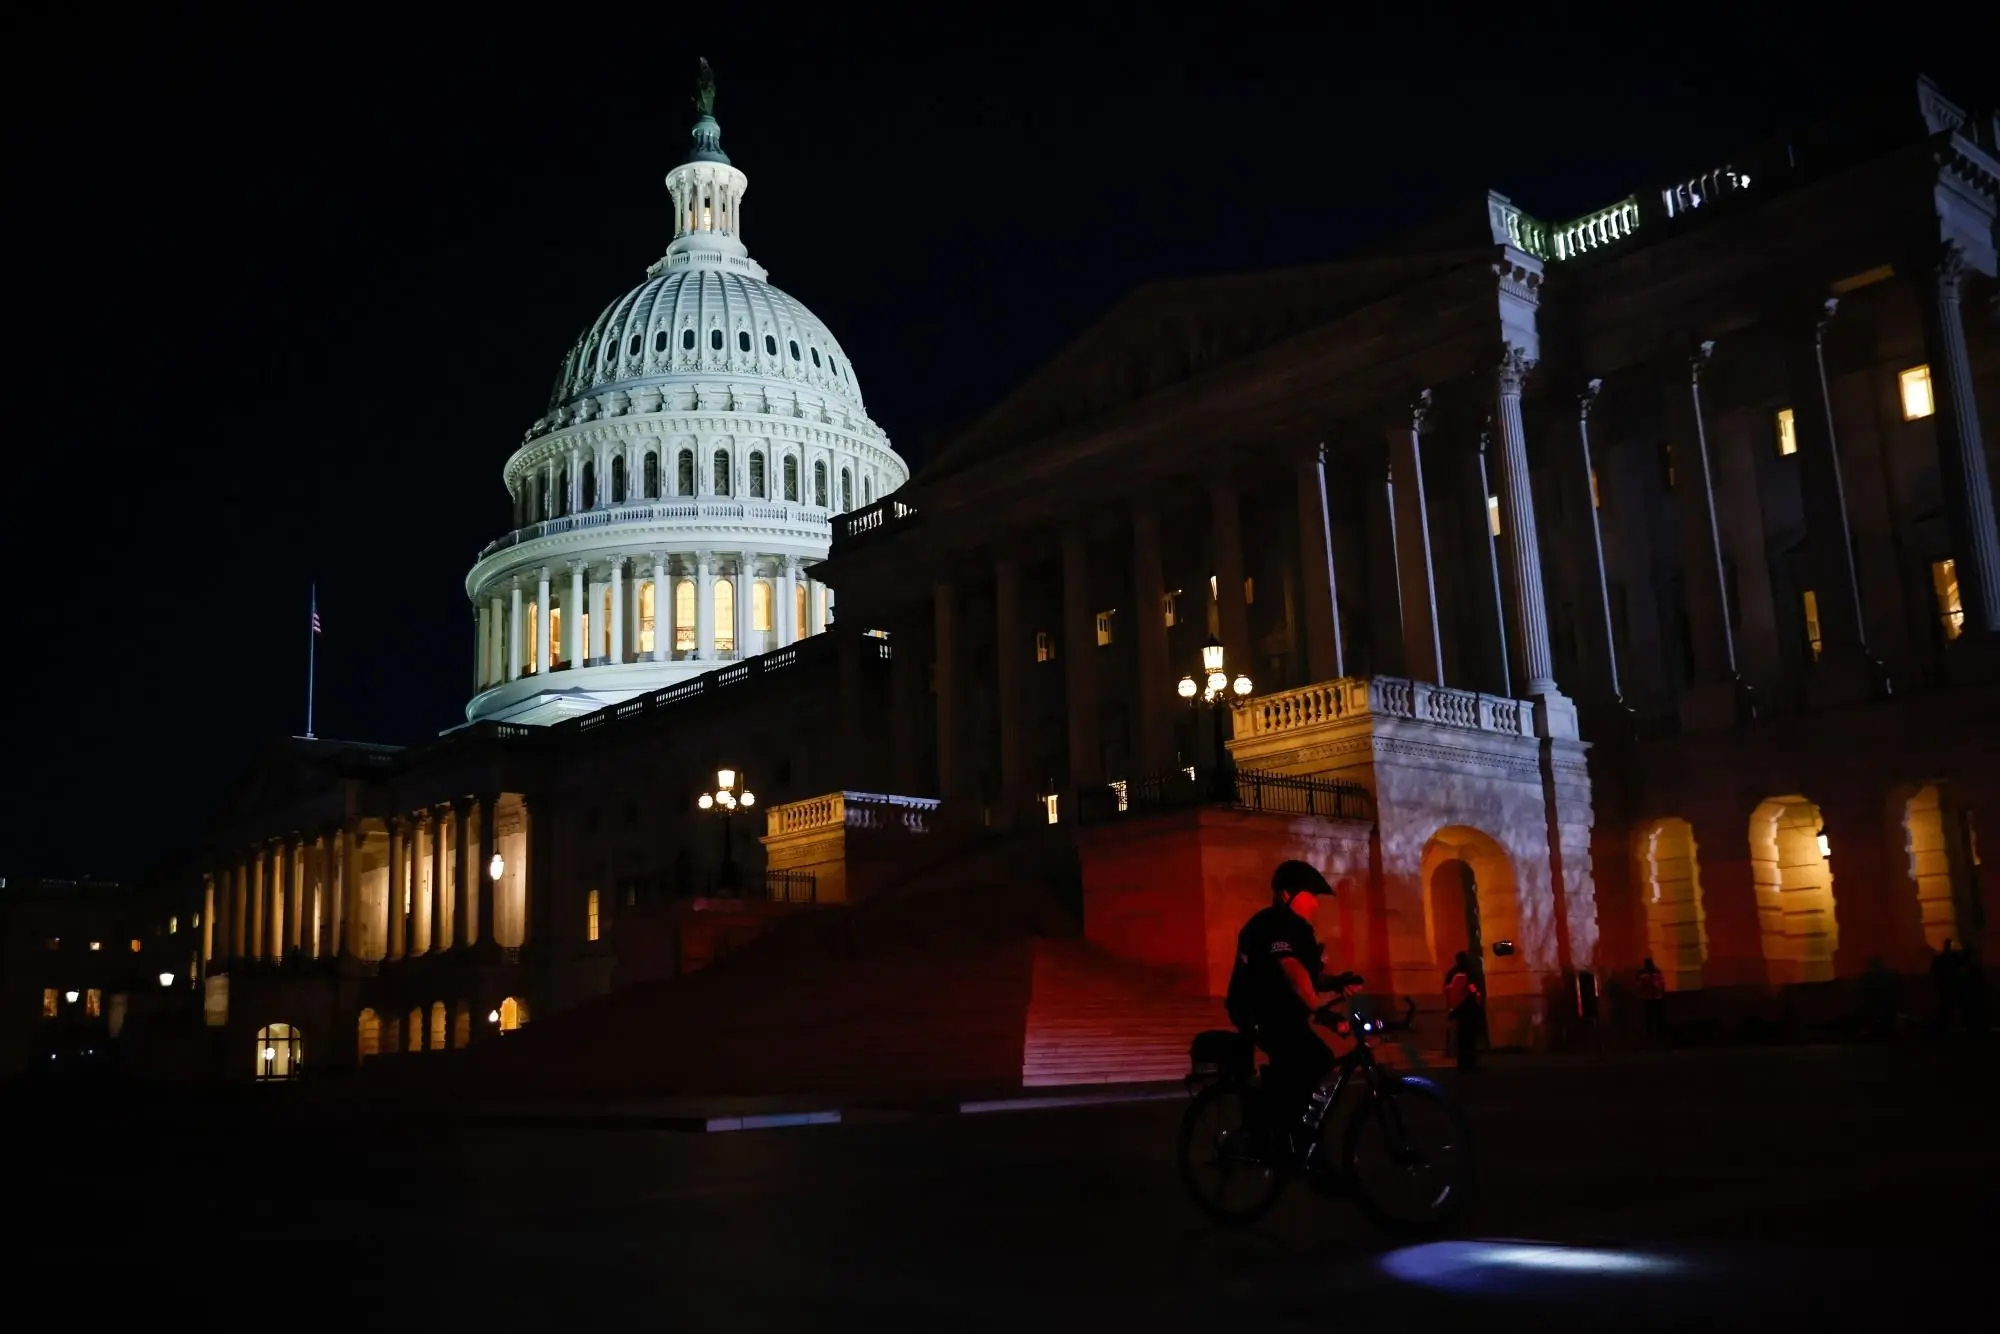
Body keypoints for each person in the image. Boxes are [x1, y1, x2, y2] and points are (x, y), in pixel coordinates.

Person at [1225, 861, 1361, 1160]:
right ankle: (1279, 1137)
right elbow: (1290, 968)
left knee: (1316, 1060)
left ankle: (1289, 1134)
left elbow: (1308, 975)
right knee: (1309, 1059)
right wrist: (1320, 1009)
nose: (1315, 903)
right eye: (1309, 895)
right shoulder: (1272, 923)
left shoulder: (1300, 929)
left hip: (1284, 1011)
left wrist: (1336, 983)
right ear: (1286, 894)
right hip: (1258, 1010)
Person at [1444, 952, 1483, 1070]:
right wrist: (1477, 994)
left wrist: (1451, 1005)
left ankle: (1462, 1062)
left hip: (1458, 1008)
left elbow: (1447, 988)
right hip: (1468, 1007)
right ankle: (1470, 1062)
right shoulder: (1468, 972)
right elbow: (1471, 986)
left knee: (1461, 1037)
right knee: (1470, 1037)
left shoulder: (1452, 972)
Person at [1635, 956, 1668, 1042]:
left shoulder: (1642, 973)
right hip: (1656, 997)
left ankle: (1652, 1035)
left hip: (1648, 998)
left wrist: (1640, 993)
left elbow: (1638, 985)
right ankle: (1657, 1034)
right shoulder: (1657, 972)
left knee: (1649, 1017)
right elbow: (1662, 983)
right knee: (1655, 1016)